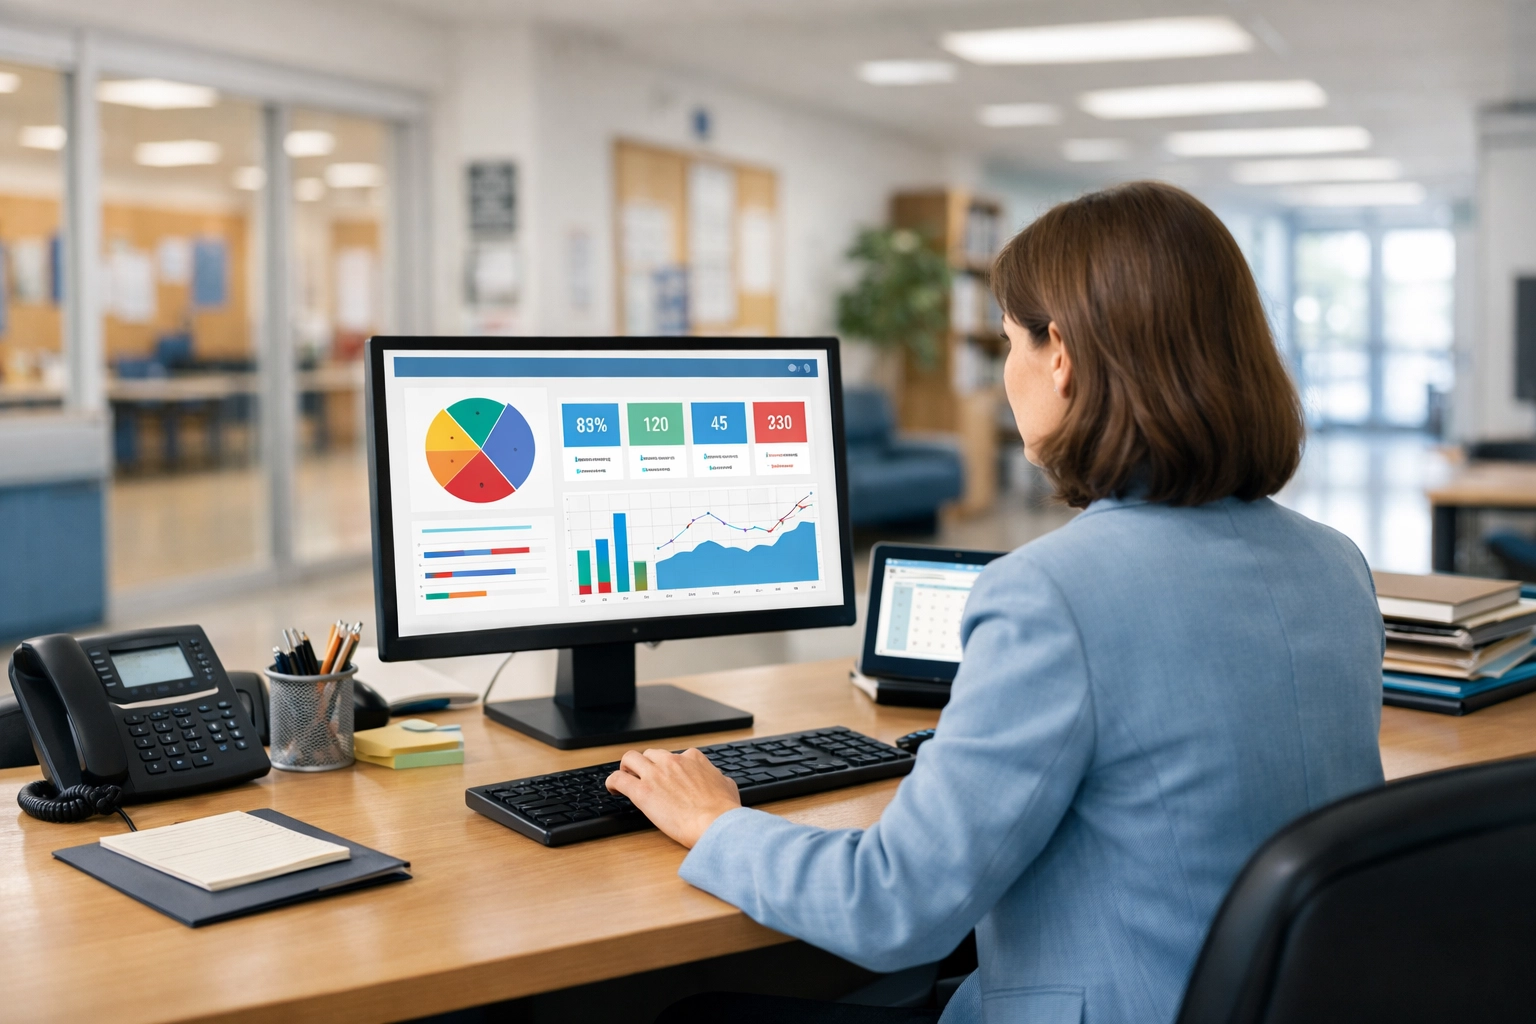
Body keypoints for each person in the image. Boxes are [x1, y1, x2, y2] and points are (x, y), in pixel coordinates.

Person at [607, 181, 1386, 1024]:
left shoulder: (1054, 591)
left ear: (1061, 356)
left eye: (1010, 342)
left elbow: (892, 907)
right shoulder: (1335, 564)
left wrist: (715, 822)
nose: (1007, 372)